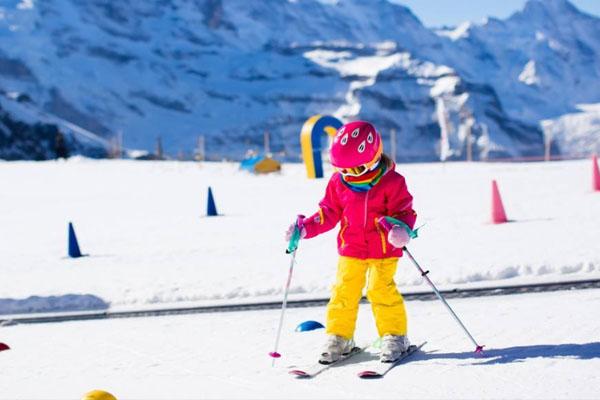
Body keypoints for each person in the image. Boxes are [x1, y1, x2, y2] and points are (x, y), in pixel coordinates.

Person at [285, 120, 417, 364]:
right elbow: (327, 213)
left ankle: (395, 335)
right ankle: (340, 336)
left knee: (380, 290)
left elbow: (404, 211)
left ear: (373, 158)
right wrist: (305, 228)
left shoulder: (392, 181)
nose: (347, 175)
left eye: (353, 170)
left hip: (384, 249)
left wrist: (402, 230)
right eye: (341, 169)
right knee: (343, 292)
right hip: (351, 249)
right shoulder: (338, 183)